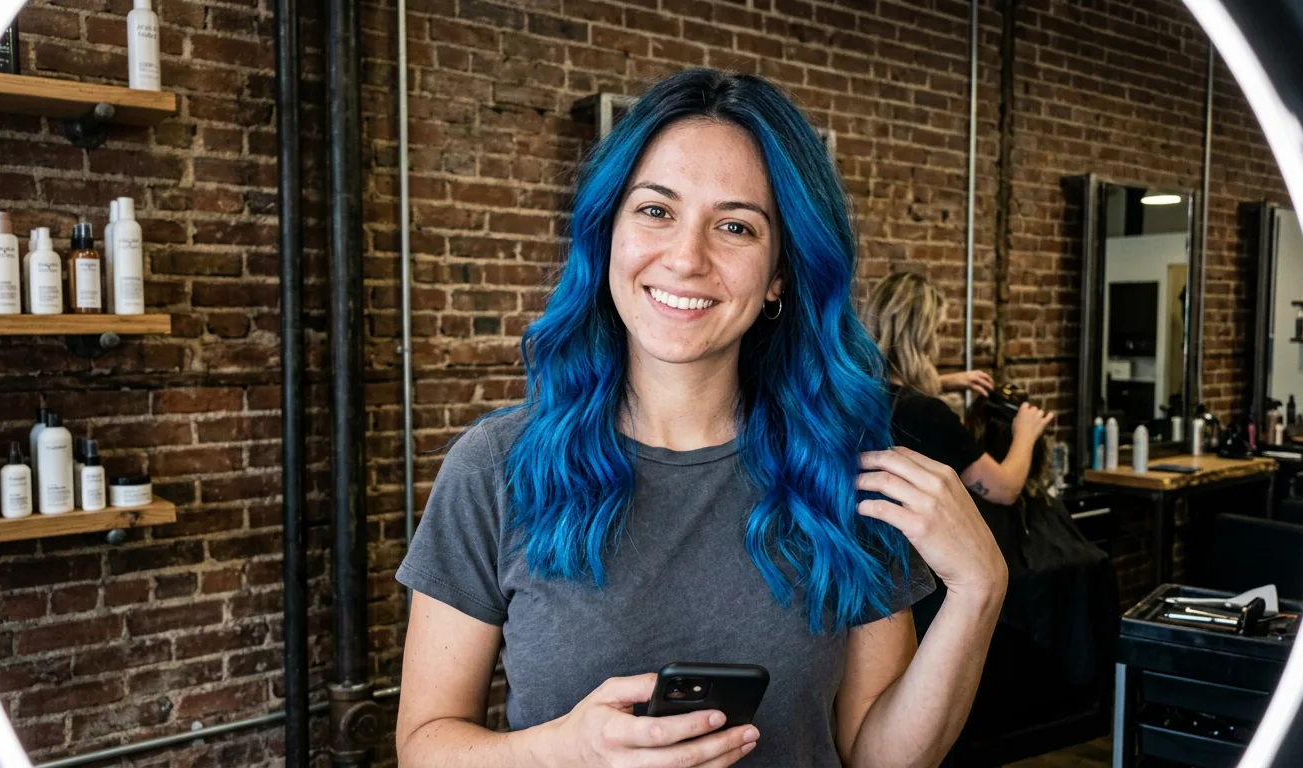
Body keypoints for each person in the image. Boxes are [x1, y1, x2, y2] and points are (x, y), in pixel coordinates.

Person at [394, 69, 1006, 768]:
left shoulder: (845, 472)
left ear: (780, 273)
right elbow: (423, 745)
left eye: (736, 226)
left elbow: (882, 759)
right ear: (608, 236)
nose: (686, 258)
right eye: (655, 211)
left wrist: (979, 590)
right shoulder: (494, 467)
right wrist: (562, 750)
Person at [861, 272, 1054, 505]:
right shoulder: (931, 416)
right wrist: (1026, 433)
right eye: (938, 331)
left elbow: (896, 397)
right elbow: (1004, 489)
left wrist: (942, 382)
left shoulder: (853, 396)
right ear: (921, 338)